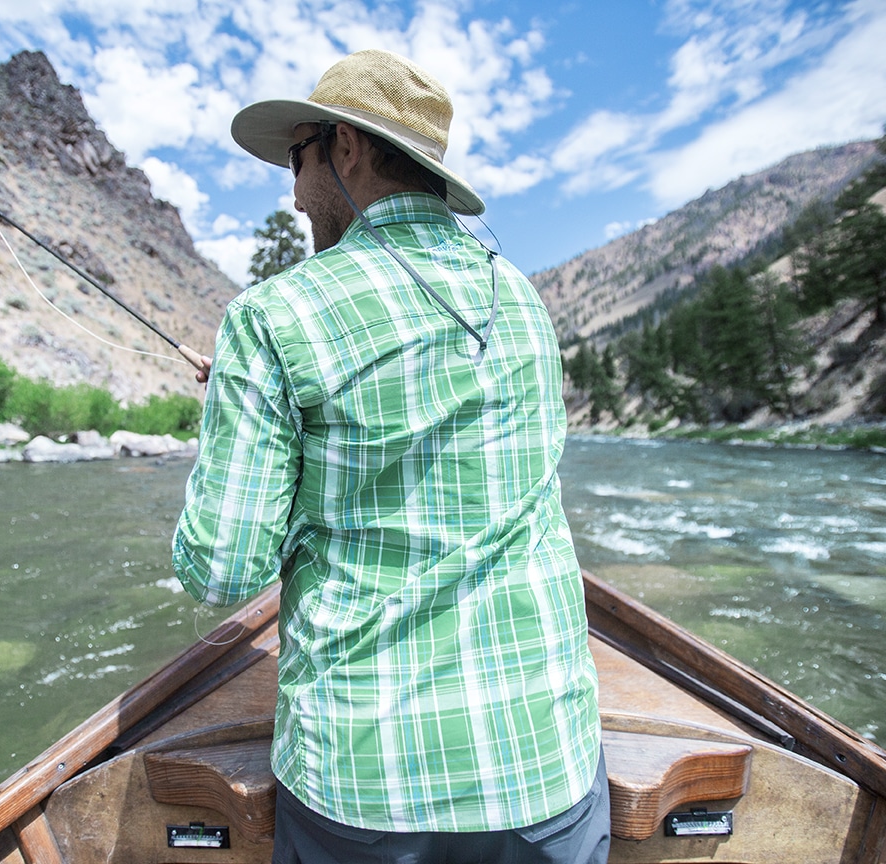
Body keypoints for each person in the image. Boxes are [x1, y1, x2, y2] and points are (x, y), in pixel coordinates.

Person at [171, 49, 608, 864]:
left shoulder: (272, 318)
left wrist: (238, 409)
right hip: (546, 766)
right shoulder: (525, 299)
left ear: (346, 149)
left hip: (363, 785)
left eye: (296, 157)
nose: (292, 189)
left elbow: (223, 569)